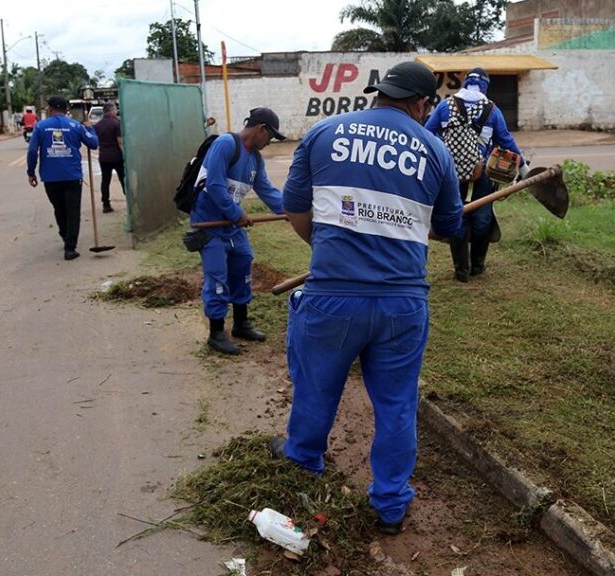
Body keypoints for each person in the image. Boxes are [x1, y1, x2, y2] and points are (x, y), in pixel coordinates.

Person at [272, 61, 464, 535]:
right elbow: (451, 226)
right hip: (402, 305)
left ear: (381, 93)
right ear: (421, 103)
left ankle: (302, 465)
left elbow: (294, 207)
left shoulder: (324, 133)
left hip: (332, 298)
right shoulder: (435, 150)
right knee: (397, 403)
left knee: (317, 387)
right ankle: (391, 504)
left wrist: (326, 251)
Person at [190, 107, 286, 355]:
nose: (269, 142)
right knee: (217, 276)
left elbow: (267, 190)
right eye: (270, 136)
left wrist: (289, 211)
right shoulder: (225, 144)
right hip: (209, 224)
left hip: (231, 227)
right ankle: (217, 332)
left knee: (243, 262)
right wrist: (237, 214)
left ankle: (241, 323)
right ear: (261, 129)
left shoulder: (255, 158)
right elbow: (215, 186)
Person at [425, 68, 525, 282]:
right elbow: (505, 141)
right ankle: (477, 266)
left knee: (456, 215)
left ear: (465, 83)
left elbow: (427, 134)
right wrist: (523, 166)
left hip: (450, 173)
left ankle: (461, 271)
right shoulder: (491, 110)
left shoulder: (445, 106)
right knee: (483, 217)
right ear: (485, 86)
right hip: (482, 175)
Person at [26, 96, 99, 261]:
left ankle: (65, 236)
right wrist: (91, 128)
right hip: (72, 176)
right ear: (66, 109)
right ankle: (70, 247)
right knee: (73, 211)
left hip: (51, 178)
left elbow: (32, 152)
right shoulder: (76, 126)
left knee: (59, 209)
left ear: (50, 109)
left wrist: (31, 172)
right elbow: (94, 143)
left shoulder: (40, 127)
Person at [94, 102, 125, 213]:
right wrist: (124, 155)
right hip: (117, 156)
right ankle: (130, 202)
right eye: (115, 109)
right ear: (111, 110)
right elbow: (120, 141)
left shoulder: (97, 125)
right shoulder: (117, 123)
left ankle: (106, 204)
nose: (116, 111)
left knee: (105, 181)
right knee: (123, 179)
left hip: (104, 157)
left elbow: (95, 141)